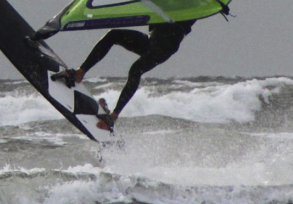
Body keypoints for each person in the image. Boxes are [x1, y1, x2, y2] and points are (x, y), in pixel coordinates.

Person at [56, 20, 194, 129]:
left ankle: (113, 116)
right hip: (151, 39)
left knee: (135, 70)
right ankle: (80, 72)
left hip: (166, 45)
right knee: (113, 34)